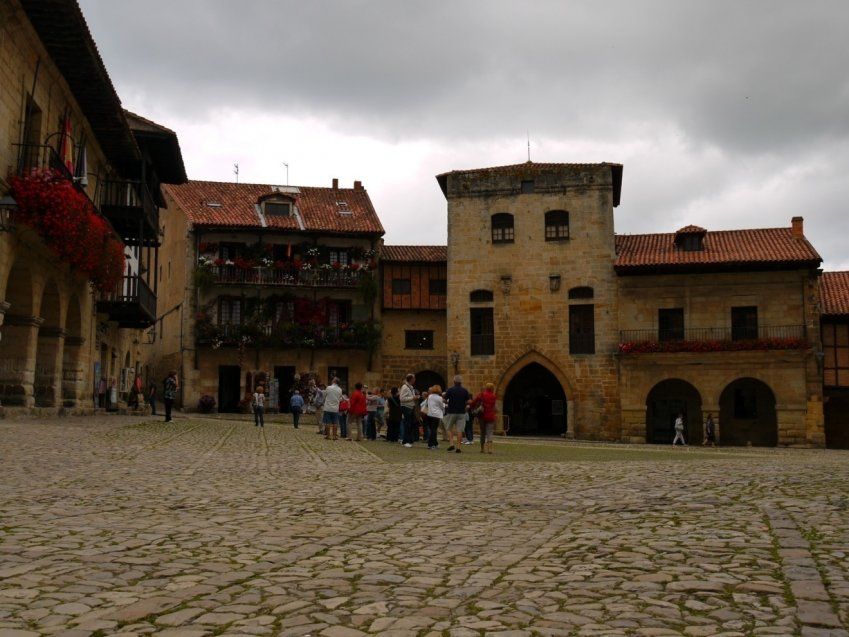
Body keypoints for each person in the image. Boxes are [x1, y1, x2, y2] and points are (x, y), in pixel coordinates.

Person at [443, 375, 470, 453]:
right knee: (459, 430)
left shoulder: (450, 390)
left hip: (451, 412)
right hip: (461, 412)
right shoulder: (464, 390)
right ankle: (458, 447)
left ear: (454, 382)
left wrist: (448, 402)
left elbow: (444, 400)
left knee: (448, 428)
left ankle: (451, 444)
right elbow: (468, 401)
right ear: (461, 382)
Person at [470, 382, 497, 454]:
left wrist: (473, 409)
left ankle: (482, 449)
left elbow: (473, 402)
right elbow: (494, 406)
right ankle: (490, 449)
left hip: (482, 416)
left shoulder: (481, 395)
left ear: (486, 387)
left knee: (482, 432)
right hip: (490, 416)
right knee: (489, 432)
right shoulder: (494, 396)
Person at [425, 385, 445, 450]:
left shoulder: (430, 396)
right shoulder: (439, 398)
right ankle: (430, 445)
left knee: (432, 430)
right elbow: (442, 406)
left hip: (429, 414)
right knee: (434, 430)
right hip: (436, 415)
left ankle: (435, 443)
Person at [399, 374, 416, 448]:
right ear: (411, 379)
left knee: (410, 424)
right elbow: (402, 399)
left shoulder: (411, 387)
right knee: (407, 424)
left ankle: (409, 440)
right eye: (414, 378)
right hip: (406, 407)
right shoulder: (405, 387)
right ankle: (405, 441)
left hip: (411, 407)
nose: (415, 380)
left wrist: (414, 398)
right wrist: (413, 398)